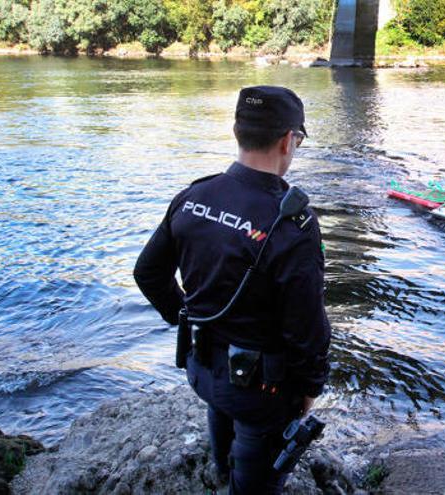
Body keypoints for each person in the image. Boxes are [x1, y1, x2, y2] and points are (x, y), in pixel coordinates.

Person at [133, 86, 330, 494]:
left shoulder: (194, 196)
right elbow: (306, 329)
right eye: (298, 140)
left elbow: (148, 274)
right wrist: (310, 389)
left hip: (200, 370)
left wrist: (186, 317)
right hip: (261, 395)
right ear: (287, 141)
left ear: (237, 132)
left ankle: (222, 467)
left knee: (226, 413)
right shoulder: (293, 224)